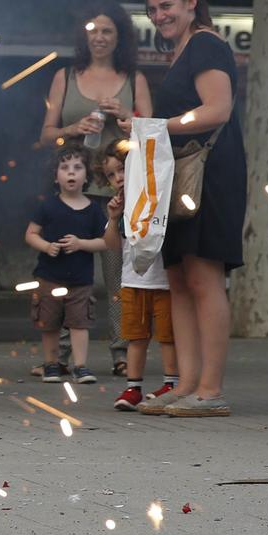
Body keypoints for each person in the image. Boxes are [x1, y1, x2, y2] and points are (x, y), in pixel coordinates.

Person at [135, 0, 242, 417]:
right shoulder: (182, 50)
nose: (160, 16)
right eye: (153, 9)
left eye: (167, 6)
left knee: (202, 276)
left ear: (191, 2)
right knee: (178, 278)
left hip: (210, 170)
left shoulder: (206, 44)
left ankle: (211, 389)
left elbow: (218, 109)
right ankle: (188, 384)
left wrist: (160, 126)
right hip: (182, 174)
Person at [37, 3, 153, 377]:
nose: (99, 37)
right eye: (93, 30)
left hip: (118, 189)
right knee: (65, 269)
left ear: (119, 37)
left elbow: (152, 132)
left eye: (107, 31)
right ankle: (60, 356)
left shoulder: (134, 79)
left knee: (118, 275)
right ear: (84, 35)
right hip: (73, 191)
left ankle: (121, 352)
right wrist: (73, 129)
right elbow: (45, 135)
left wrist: (126, 118)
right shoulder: (64, 77)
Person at [96, 150, 178, 412]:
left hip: (164, 279)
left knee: (167, 336)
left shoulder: (155, 195)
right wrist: (112, 218)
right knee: (136, 337)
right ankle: (133, 388)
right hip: (133, 280)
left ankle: (171, 383)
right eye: (111, 174)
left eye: (121, 169)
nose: (118, 178)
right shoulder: (120, 204)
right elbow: (110, 245)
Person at [25, 148, 112, 384]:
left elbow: (105, 241)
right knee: (49, 323)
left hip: (81, 280)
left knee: (79, 323)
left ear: (87, 177)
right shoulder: (47, 206)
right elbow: (31, 233)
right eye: (64, 168)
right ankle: (51, 364)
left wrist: (81, 243)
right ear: (56, 176)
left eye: (77, 168)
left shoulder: (94, 210)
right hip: (49, 277)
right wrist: (45, 247)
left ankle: (81, 366)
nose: (70, 173)